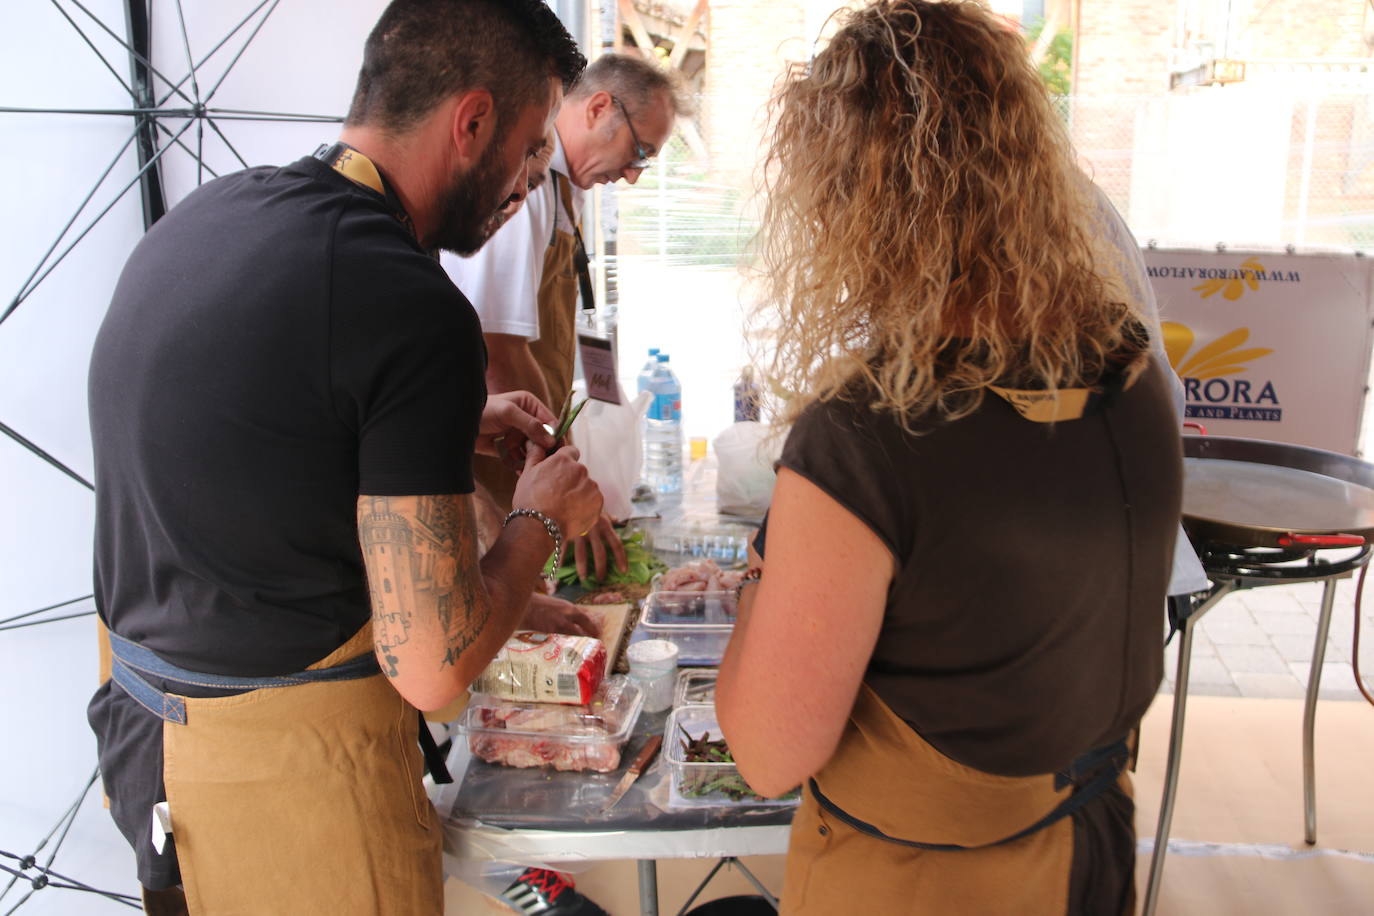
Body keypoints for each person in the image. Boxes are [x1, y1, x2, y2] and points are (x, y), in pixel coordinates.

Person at [85, 2, 598, 913]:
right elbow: (434, 669)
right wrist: (536, 523)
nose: (526, 184)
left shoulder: (211, 216)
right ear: (471, 120)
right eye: (526, 152)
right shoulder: (404, 299)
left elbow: (259, 441)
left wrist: (447, 421)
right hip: (292, 789)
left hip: (149, 759)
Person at [715, 2, 1182, 914]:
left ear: (855, 205)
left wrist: (758, 583)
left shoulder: (864, 438)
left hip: (929, 883)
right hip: (1091, 853)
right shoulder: (1126, 368)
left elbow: (766, 754)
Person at [442, 53, 684, 582]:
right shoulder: (523, 192)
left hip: (526, 453)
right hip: (495, 463)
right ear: (599, 107)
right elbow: (498, 350)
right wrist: (563, 477)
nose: (634, 176)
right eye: (639, 152)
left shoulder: (561, 191)